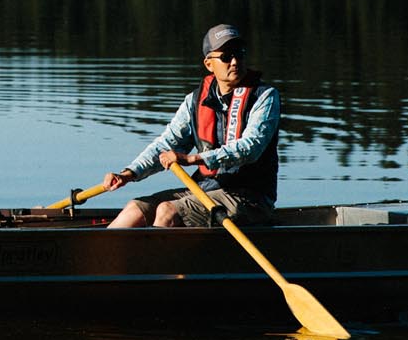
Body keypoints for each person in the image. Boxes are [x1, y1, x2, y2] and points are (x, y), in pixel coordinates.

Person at [99, 24, 280, 229]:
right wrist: (129, 173)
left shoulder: (264, 96)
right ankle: (101, 259)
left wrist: (194, 158)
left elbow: (251, 147)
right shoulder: (194, 101)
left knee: (166, 211)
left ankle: (155, 259)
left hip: (251, 199)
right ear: (209, 64)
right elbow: (166, 144)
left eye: (240, 54)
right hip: (206, 190)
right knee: (135, 209)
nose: (235, 61)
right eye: (226, 56)